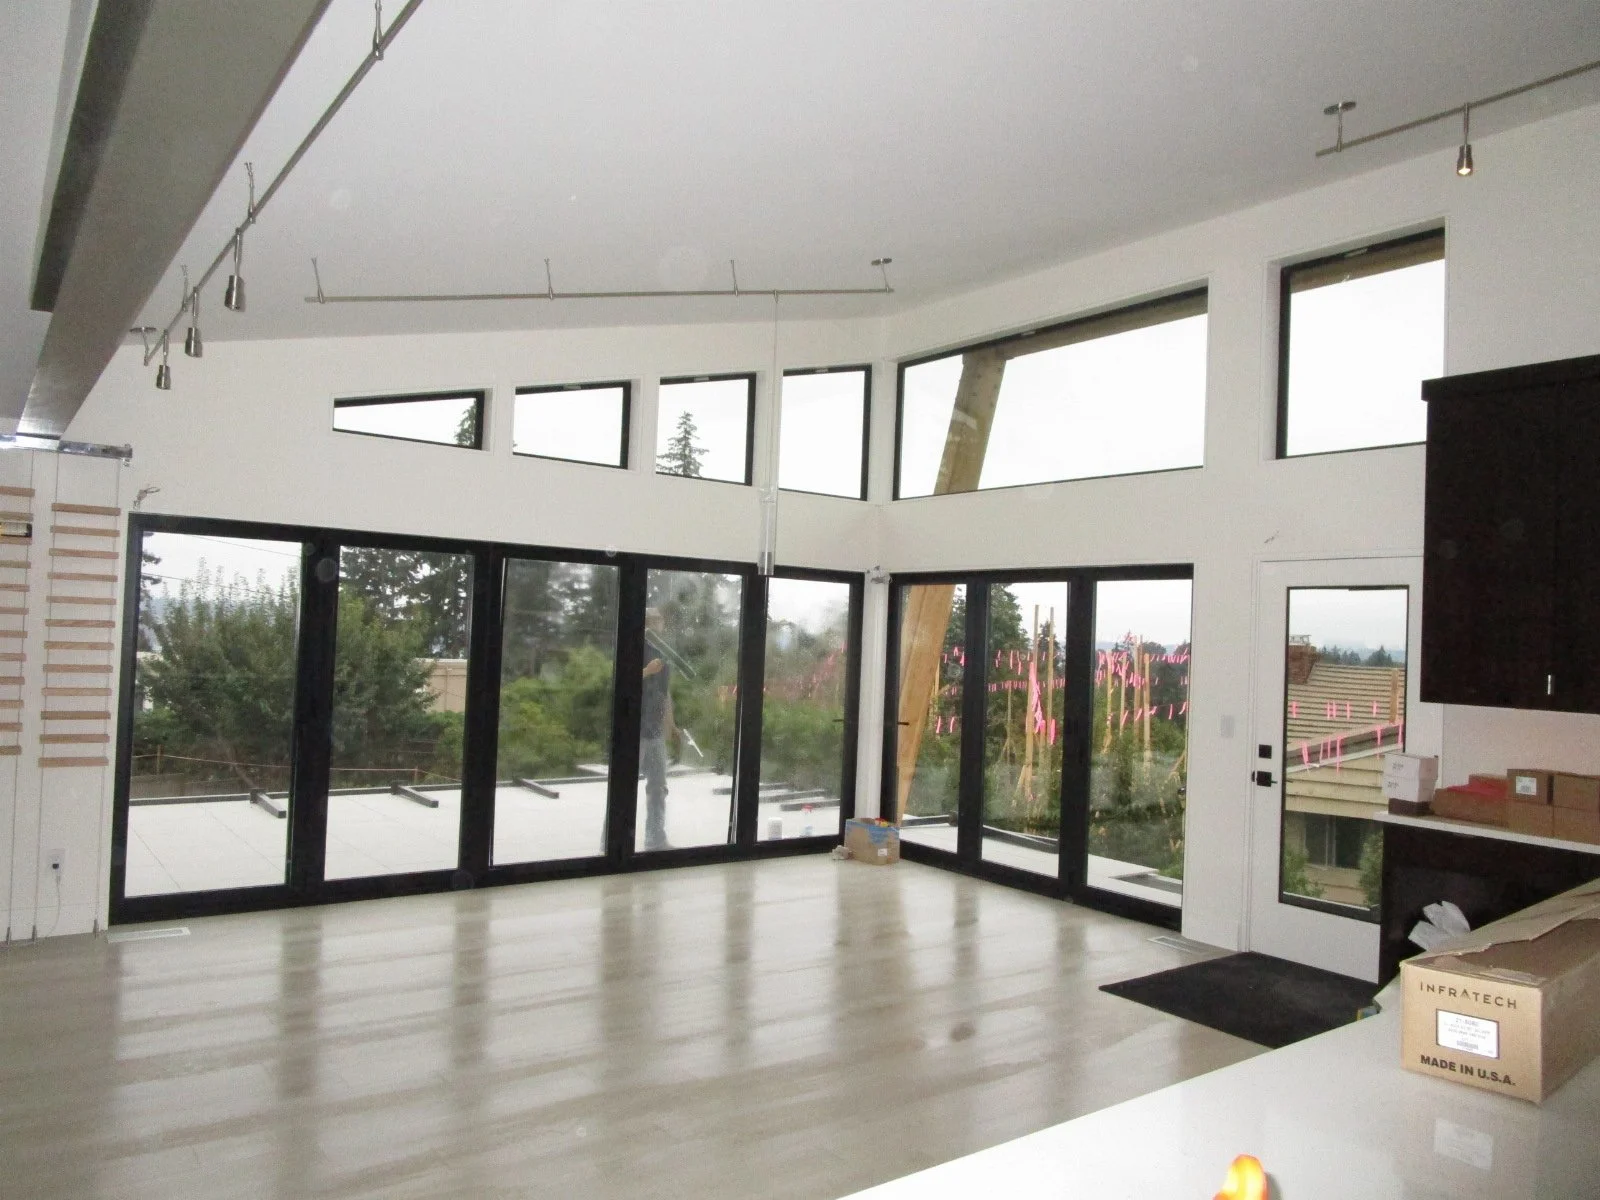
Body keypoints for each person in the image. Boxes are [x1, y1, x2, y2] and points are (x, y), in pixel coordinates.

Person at [640, 608, 675, 850]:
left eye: (658, 620)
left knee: (658, 787)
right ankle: (609, 842)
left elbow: (665, 694)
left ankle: (656, 840)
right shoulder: (633, 647)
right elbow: (620, 679)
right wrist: (646, 671)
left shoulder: (664, 654)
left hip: (654, 731)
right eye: (651, 621)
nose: (656, 625)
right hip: (632, 728)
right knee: (621, 788)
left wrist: (671, 725)